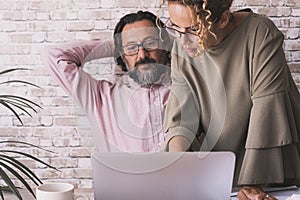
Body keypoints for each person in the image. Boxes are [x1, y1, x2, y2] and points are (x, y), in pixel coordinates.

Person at [160, 0, 300, 199]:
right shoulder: (182, 46)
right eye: (176, 28)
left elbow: (266, 111)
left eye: (194, 29)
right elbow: (182, 117)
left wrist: (252, 184)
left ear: (224, 19)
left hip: (268, 165)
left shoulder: (260, 32)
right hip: (220, 172)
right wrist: (177, 164)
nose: (183, 41)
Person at [41, 11, 172, 152]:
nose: (142, 55)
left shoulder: (188, 90)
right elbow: (52, 55)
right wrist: (113, 46)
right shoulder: (100, 97)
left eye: (150, 43)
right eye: (132, 48)